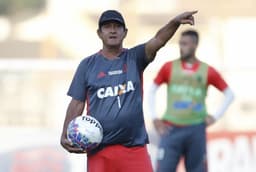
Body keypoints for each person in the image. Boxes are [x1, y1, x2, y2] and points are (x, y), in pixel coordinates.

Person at [60, 9, 197, 172]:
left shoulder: (135, 57)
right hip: (99, 151)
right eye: (107, 27)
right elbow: (77, 102)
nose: (112, 30)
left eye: (117, 27)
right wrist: (65, 133)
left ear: (124, 33)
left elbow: (158, 40)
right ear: (99, 33)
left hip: (134, 150)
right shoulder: (87, 65)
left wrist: (174, 22)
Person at [148, 29, 235, 172]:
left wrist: (215, 117)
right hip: (171, 129)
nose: (181, 47)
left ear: (194, 45)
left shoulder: (207, 71)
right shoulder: (168, 67)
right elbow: (151, 90)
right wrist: (154, 118)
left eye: (185, 44)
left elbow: (230, 94)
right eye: (180, 44)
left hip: (196, 129)